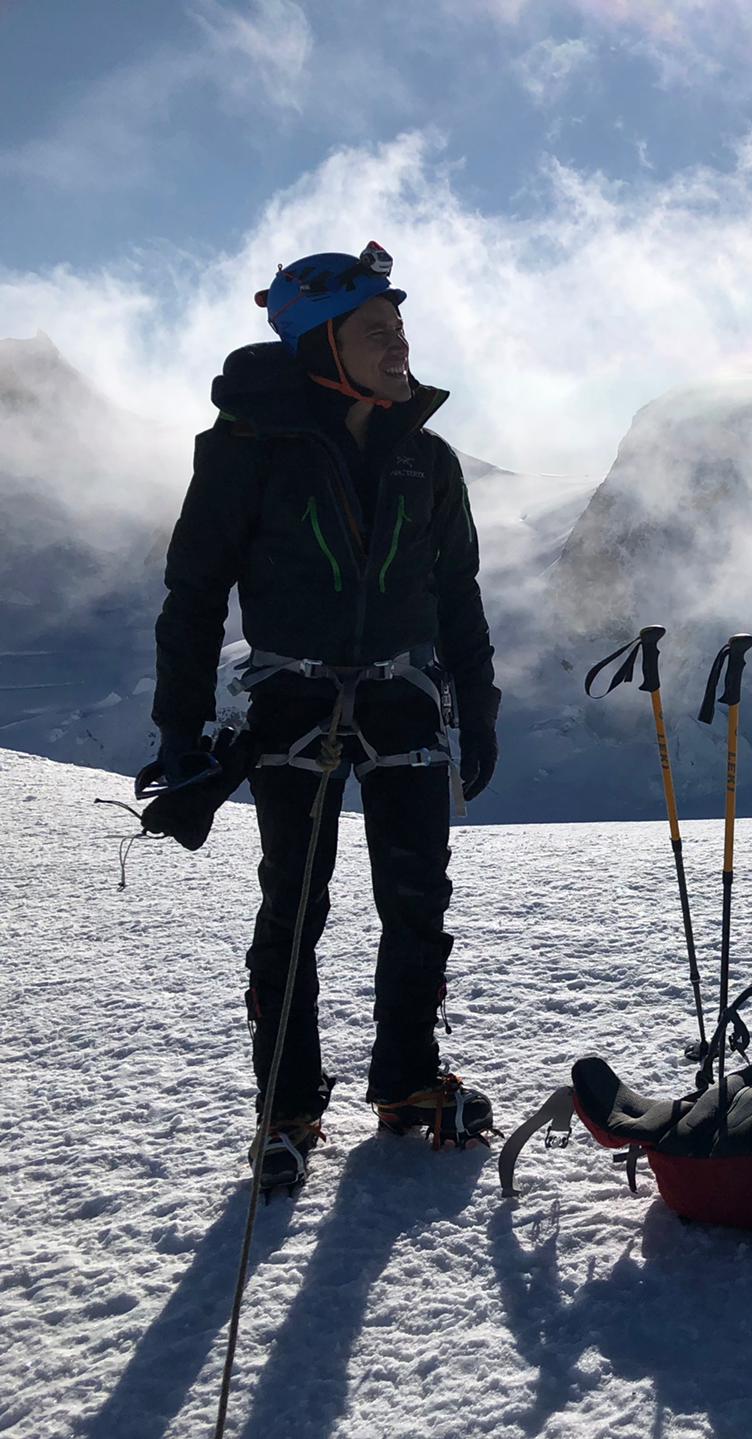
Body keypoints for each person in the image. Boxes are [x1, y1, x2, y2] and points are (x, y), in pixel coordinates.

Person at [150, 242, 499, 1191]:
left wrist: (480, 705)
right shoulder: (245, 450)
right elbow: (194, 594)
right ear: (321, 342)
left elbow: (456, 592)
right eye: (377, 328)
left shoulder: (426, 458)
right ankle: (287, 1105)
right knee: (294, 908)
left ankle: (408, 1081)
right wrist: (177, 734)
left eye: (399, 325)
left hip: (403, 697)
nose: (399, 342)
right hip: (293, 700)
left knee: (417, 900)